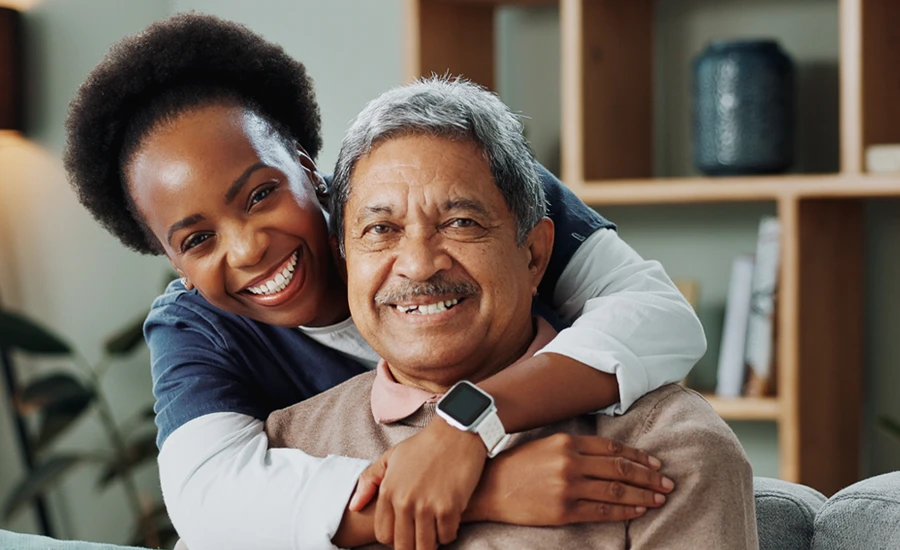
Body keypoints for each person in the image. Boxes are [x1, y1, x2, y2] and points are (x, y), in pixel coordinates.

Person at [63, 13, 707, 550]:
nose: (248, 247)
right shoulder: (196, 328)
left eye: (260, 194)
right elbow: (210, 501)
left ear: (311, 171)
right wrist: (485, 486)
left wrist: (469, 425)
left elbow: (660, 314)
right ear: (172, 262)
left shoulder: (456, 182)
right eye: (197, 240)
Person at [266, 76, 757, 549]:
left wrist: (467, 424)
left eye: (461, 222)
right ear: (343, 259)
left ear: (535, 255)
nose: (418, 263)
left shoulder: (667, 447)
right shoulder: (285, 451)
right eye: (380, 230)